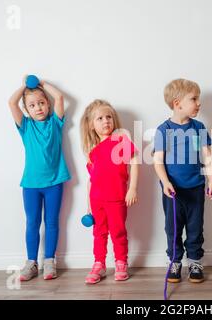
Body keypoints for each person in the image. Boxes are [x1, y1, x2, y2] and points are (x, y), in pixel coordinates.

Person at [153, 78, 212, 283]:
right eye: (194, 99)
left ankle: (195, 261)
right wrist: (166, 182)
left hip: (196, 187)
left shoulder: (198, 128)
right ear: (177, 103)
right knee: (173, 227)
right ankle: (175, 261)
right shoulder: (164, 130)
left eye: (199, 99)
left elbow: (206, 155)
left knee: (195, 226)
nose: (199, 103)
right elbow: (158, 161)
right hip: (172, 190)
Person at [8, 76, 71, 281]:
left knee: (52, 222)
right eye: (32, 105)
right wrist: (26, 86)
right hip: (31, 185)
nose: (38, 108)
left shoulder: (55, 123)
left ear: (48, 104)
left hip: (54, 182)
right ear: (26, 109)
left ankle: (50, 261)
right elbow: (11, 102)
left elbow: (60, 97)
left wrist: (42, 84)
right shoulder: (25, 126)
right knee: (32, 222)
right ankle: (31, 262)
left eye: (42, 103)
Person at [80, 99, 139, 284]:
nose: (106, 121)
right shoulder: (93, 152)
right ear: (91, 125)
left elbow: (136, 162)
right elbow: (91, 181)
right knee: (99, 233)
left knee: (118, 232)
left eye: (109, 117)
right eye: (99, 118)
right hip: (97, 201)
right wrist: (88, 205)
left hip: (117, 198)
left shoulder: (121, 140)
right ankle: (99, 263)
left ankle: (121, 263)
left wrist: (132, 188)